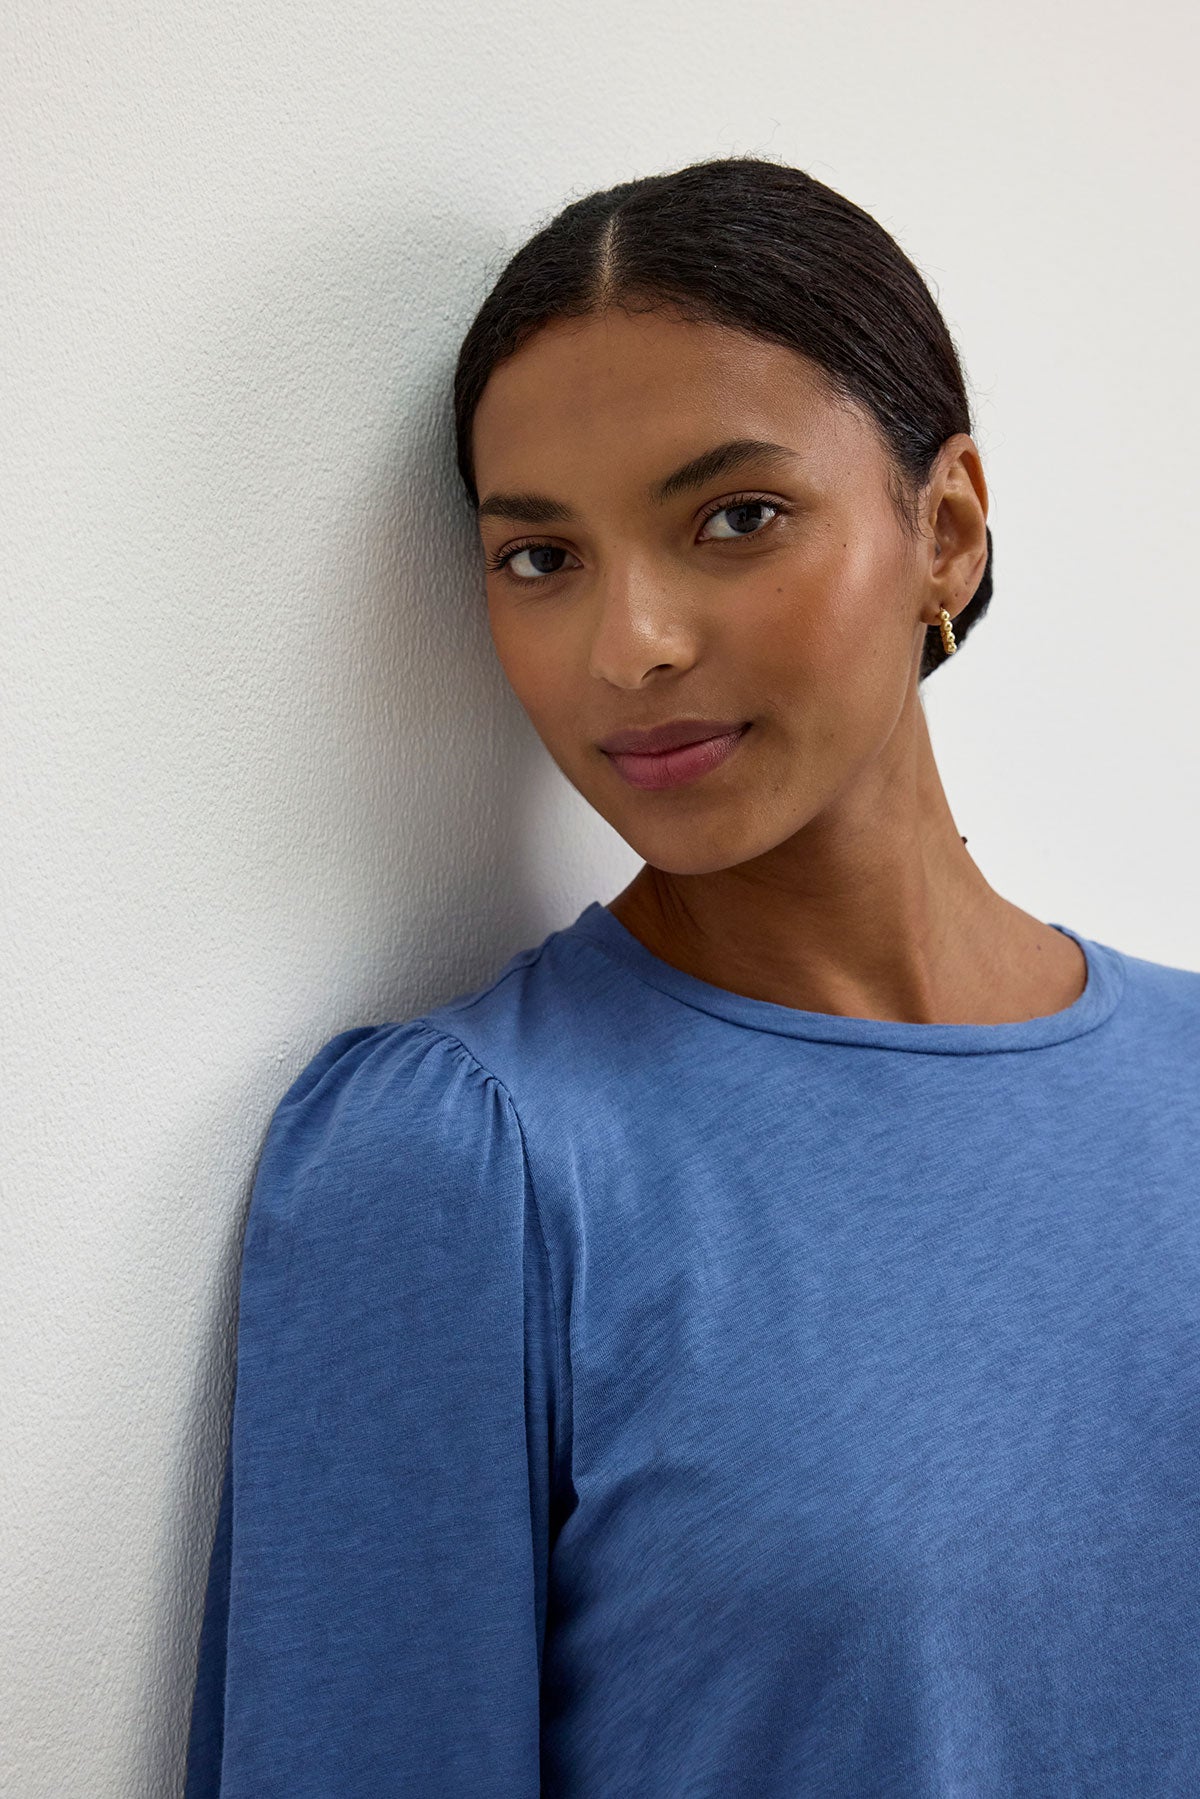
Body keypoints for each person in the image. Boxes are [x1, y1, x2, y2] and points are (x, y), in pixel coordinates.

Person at [184, 156, 1200, 1797]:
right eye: (542, 557)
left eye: (736, 517)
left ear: (944, 530)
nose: (629, 644)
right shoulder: (466, 1167)